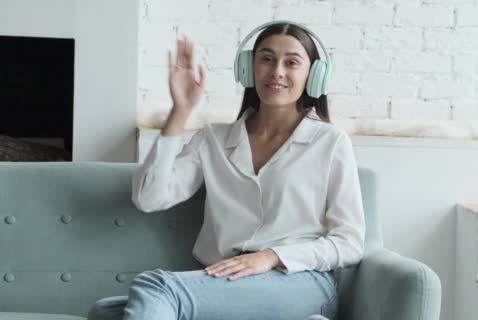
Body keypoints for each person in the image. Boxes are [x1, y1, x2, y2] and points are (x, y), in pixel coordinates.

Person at [87, 20, 365, 320]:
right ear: (248, 68)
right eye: (267, 59)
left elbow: (349, 242)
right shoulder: (213, 139)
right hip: (227, 282)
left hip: (299, 281)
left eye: (292, 62)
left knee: (155, 288)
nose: (277, 71)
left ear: (314, 74)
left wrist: (271, 257)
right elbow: (149, 198)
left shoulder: (330, 141)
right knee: (105, 313)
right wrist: (180, 111)